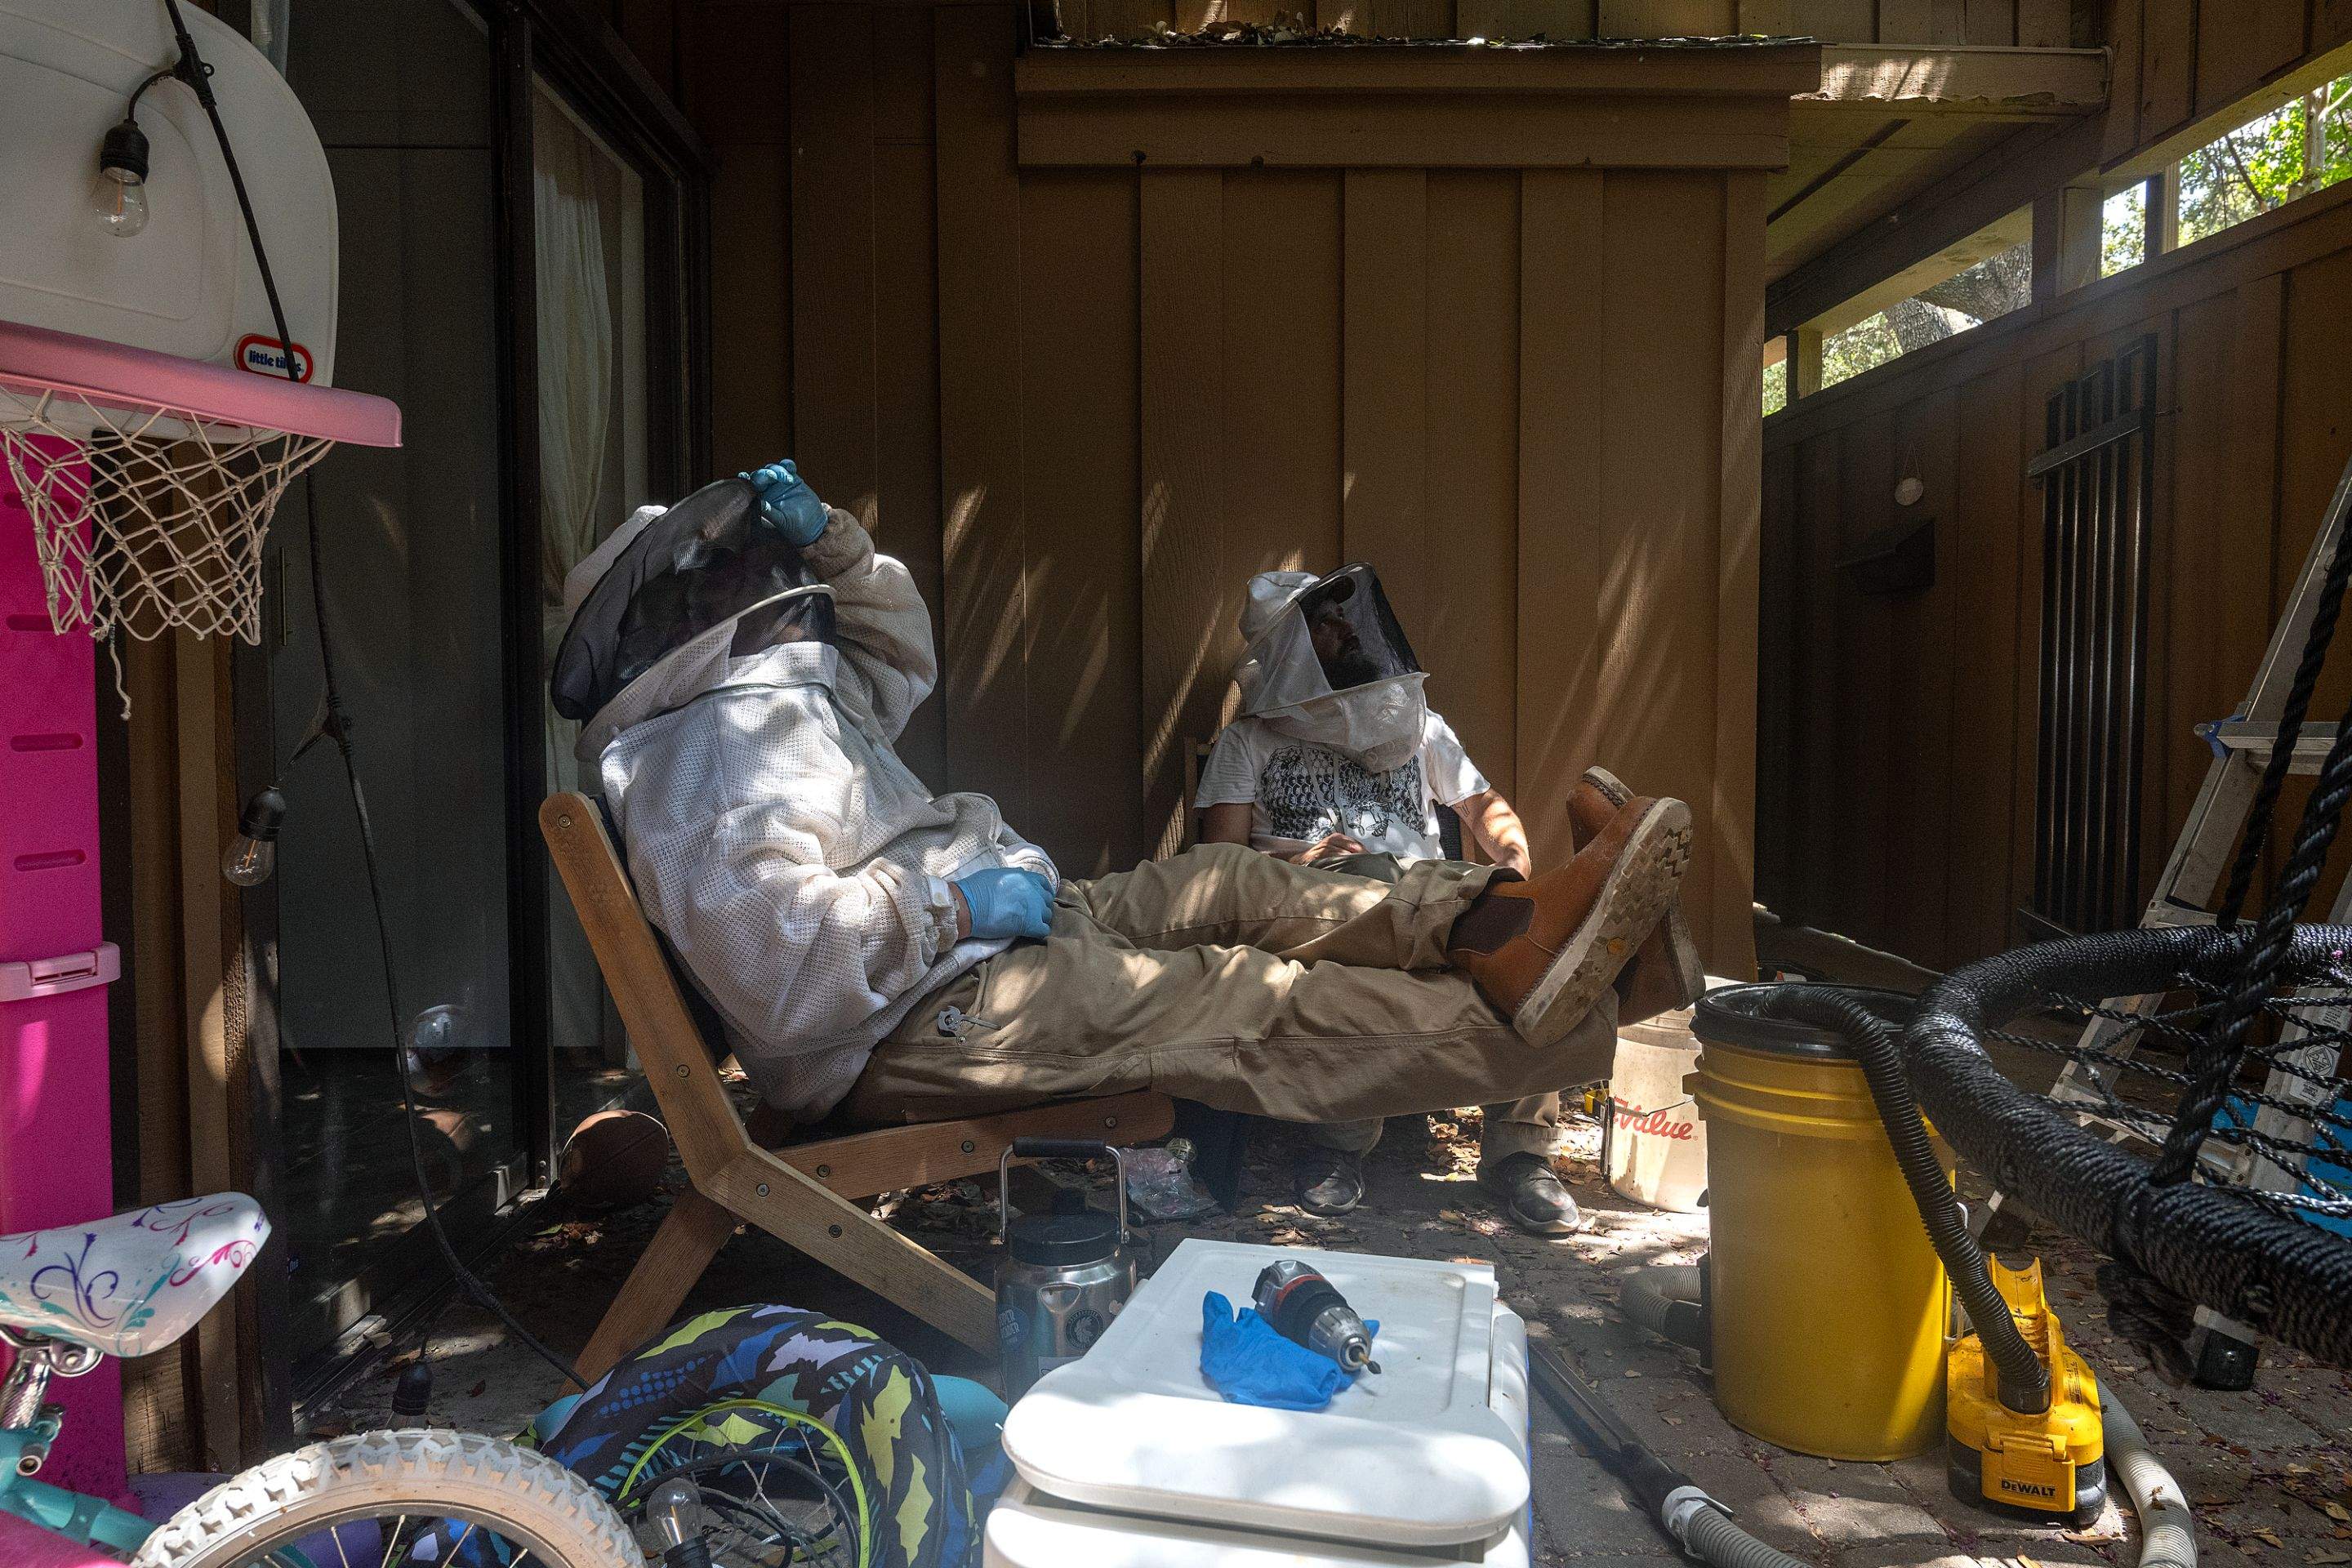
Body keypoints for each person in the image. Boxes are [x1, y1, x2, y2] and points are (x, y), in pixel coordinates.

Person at [550, 464, 1691, 1177]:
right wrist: (951, 909)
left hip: (998, 943)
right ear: (667, 621)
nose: (753, 576)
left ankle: (1517, 927)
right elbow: (779, 970)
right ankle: (1581, 1014)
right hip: (917, 1021)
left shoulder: (776, 696)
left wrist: (838, 544)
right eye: (723, 571)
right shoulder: (695, 762)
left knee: (1234, 883)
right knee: (1238, 1000)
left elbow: (900, 650)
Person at [1194, 567, 1576, 1232]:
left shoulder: (1416, 723)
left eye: (1347, 616)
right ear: (1289, 649)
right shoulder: (1248, 740)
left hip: (1430, 897)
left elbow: (1489, 813)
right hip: (1317, 905)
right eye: (1325, 622)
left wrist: (1513, 872)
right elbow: (1218, 867)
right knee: (1355, 941)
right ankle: (1338, 1147)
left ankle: (1520, 1155)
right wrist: (1302, 863)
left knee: (1533, 954)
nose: (1347, 628)